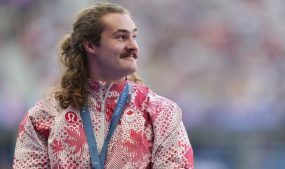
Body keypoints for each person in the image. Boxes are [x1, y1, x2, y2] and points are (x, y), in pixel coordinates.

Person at [13, 2, 194, 169]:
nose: (134, 46)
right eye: (122, 37)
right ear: (91, 45)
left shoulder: (162, 113)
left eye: (134, 36)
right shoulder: (43, 117)